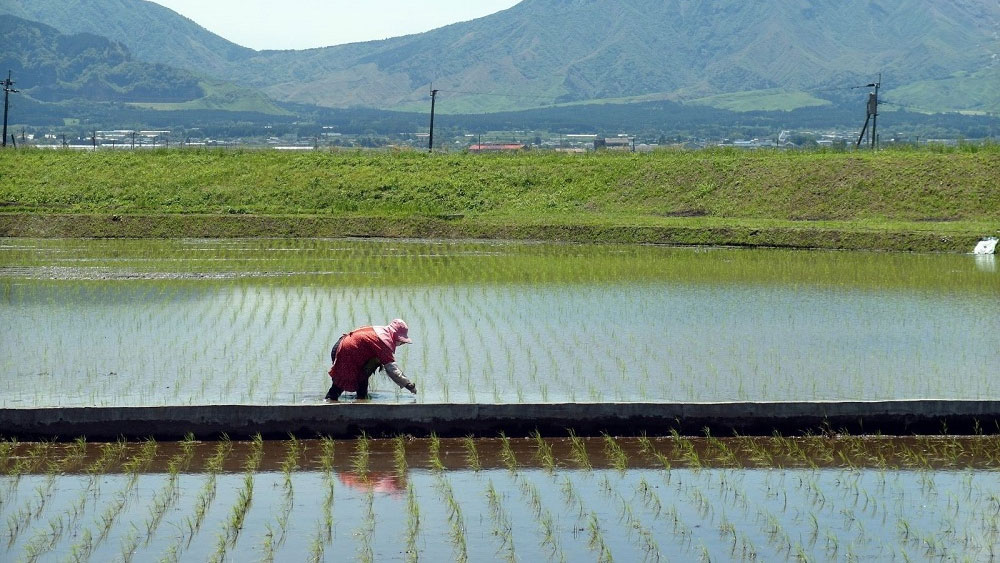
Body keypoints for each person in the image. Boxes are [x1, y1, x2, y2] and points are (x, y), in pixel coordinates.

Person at [326, 319, 417, 401]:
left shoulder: (379, 331)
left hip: (342, 346)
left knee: (363, 378)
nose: (401, 343)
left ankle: (361, 400)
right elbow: (392, 370)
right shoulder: (383, 343)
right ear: (394, 336)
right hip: (346, 353)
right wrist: (408, 385)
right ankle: (327, 407)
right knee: (337, 388)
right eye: (400, 340)